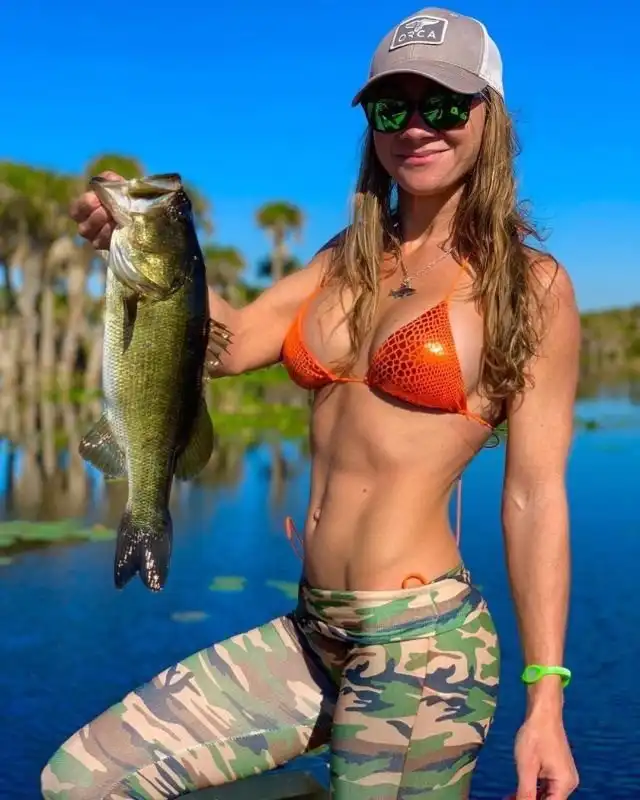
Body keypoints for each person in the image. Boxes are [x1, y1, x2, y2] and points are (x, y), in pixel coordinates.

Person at [41, 7, 580, 800]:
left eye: (443, 104)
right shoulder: (344, 259)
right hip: (313, 632)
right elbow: (229, 343)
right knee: (82, 779)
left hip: (424, 649)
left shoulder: (531, 288)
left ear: (488, 117)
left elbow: (534, 499)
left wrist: (546, 701)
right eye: (392, 108)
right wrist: (141, 248)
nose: (416, 127)